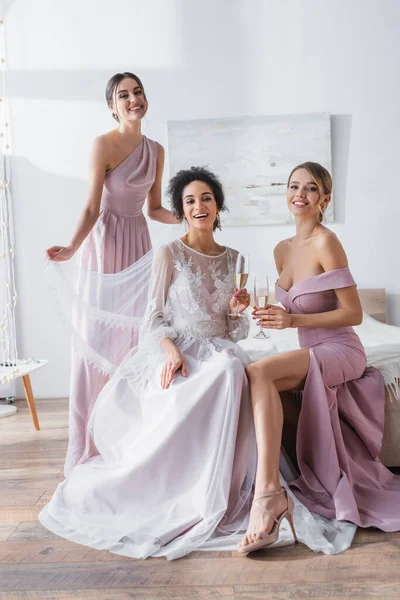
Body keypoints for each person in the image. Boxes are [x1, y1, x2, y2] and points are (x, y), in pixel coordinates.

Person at [39, 167, 257, 559]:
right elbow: (153, 318)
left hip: (220, 350)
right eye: (189, 201)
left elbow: (235, 331)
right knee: (226, 371)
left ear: (218, 205)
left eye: (206, 198)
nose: (198, 206)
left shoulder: (236, 258)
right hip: (180, 348)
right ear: (181, 211)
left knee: (232, 368)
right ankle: (181, 491)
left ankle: (220, 488)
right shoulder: (168, 253)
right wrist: (171, 351)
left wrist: (239, 312)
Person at [238, 161, 400, 554]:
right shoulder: (281, 250)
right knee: (254, 375)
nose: (300, 194)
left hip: (341, 348)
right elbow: (283, 311)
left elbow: (354, 313)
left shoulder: (327, 242)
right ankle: (269, 484)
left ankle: (269, 494)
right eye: (294, 186)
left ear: (324, 199)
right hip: (309, 348)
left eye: (311, 189)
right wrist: (250, 308)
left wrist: (292, 317)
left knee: (259, 371)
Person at [46, 72, 179, 475]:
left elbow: (154, 209)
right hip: (103, 247)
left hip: (138, 246)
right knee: (97, 342)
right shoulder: (102, 145)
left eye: (138, 92)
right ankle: (88, 443)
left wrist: (190, 219)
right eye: (124, 95)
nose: (134, 99)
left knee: (135, 342)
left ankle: (130, 439)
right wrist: (70, 247)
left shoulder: (155, 150)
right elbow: (91, 206)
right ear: (112, 106)